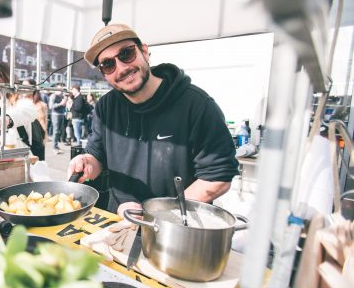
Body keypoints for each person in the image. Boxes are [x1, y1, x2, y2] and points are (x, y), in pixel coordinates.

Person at [68, 24, 238, 215]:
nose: (122, 68)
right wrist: (87, 162)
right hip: (119, 224)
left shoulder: (197, 105)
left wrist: (158, 214)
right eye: (108, 64)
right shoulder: (106, 106)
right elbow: (96, 155)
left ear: (145, 52)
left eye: (126, 54)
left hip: (178, 230)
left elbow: (218, 178)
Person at [48, 86, 66, 154]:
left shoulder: (61, 96)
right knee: (56, 131)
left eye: (61, 89)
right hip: (55, 115)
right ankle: (54, 147)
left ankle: (56, 145)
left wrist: (64, 104)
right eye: (60, 89)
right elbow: (51, 106)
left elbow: (63, 105)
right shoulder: (53, 96)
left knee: (59, 131)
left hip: (61, 114)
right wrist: (60, 104)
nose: (61, 91)